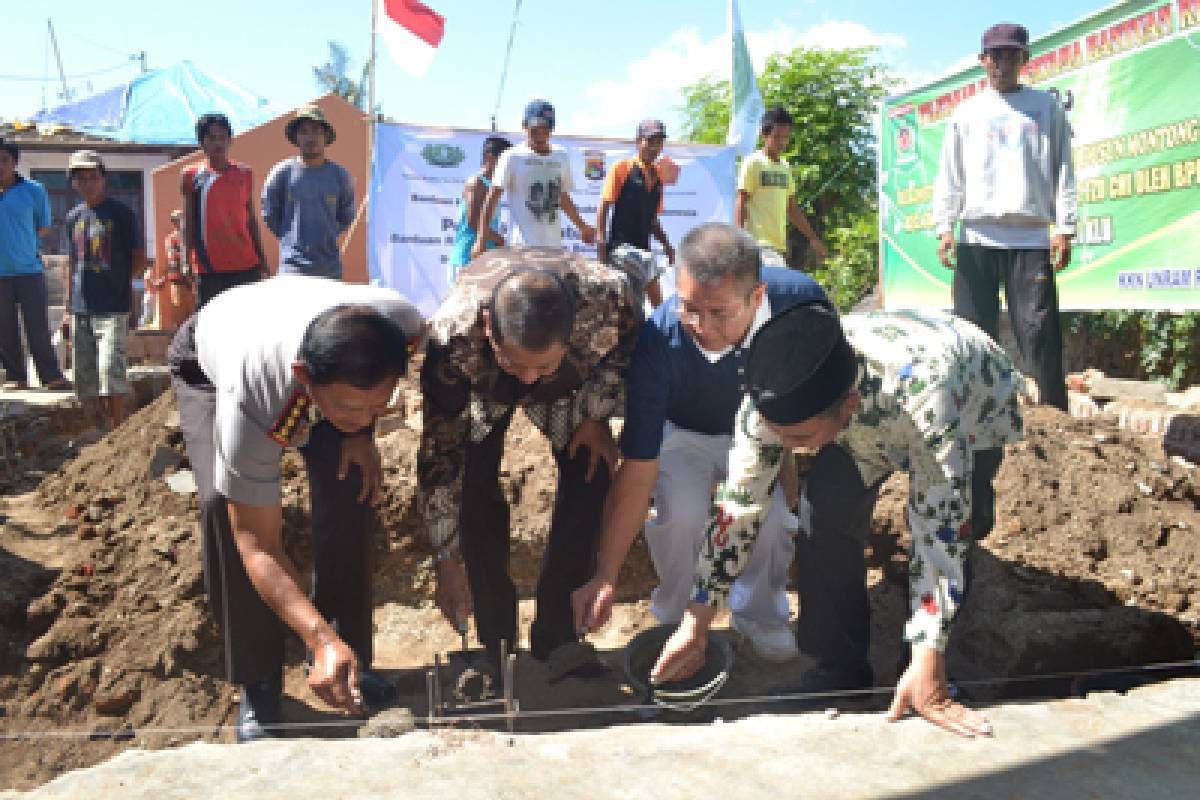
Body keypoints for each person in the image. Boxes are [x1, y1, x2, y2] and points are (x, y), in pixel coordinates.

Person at [651, 303, 1023, 739]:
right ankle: (840, 670)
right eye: (781, 436)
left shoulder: (928, 397)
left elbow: (939, 530)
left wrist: (929, 647)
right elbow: (738, 506)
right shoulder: (771, 395)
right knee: (823, 513)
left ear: (846, 407)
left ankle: (927, 668)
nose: (791, 449)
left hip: (969, 397)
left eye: (802, 439)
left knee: (962, 525)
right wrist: (696, 621)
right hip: (870, 414)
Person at [168, 275, 423, 742]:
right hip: (214, 358)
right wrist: (316, 635)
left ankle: (347, 662)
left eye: (378, 407)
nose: (366, 418)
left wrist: (359, 433)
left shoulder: (400, 325)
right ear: (305, 378)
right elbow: (257, 543)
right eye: (351, 409)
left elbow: (360, 398)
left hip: (314, 353)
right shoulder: (252, 390)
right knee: (221, 510)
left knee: (353, 484)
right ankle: (259, 680)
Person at [572, 222, 829, 663]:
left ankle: (761, 615)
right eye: (689, 307)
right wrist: (607, 573)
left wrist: (785, 460)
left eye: (720, 313)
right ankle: (676, 618)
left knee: (769, 523)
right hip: (685, 433)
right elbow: (637, 471)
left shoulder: (801, 307)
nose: (701, 326)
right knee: (683, 516)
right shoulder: (660, 338)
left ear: (758, 296)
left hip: (759, 430)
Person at [420, 246, 639, 676]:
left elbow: (623, 353)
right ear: (488, 327)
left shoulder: (609, 302)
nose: (527, 380)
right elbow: (441, 455)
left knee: (590, 471)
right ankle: (495, 640)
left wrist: (596, 415)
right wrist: (446, 558)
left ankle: (558, 637)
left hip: (570, 384)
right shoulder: (453, 340)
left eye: (540, 367)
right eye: (516, 364)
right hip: (482, 383)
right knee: (472, 486)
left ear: (574, 332)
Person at [934, 22, 1074, 412]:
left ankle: (1054, 416)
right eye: (995, 56)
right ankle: (974, 416)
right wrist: (944, 226)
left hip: (1030, 240)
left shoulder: (1045, 108)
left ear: (1024, 59)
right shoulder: (966, 114)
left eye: (1011, 55)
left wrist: (1065, 227)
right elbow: (950, 174)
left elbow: (1064, 168)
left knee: (1040, 332)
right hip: (976, 238)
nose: (1003, 63)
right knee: (972, 333)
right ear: (982, 61)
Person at [60, 150, 142, 430]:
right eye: (81, 178)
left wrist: (120, 281)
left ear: (103, 178)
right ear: (74, 183)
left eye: (94, 177)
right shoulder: (73, 217)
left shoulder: (121, 214)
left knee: (111, 371)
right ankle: (97, 434)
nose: (88, 183)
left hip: (113, 307)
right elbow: (71, 264)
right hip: (82, 307)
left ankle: (117, 430)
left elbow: (139, 256)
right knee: (85, 378)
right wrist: (67, 309)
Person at [472, 100, 596, 259]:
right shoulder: (511, 156)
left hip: (553, 248)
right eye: (535, 128)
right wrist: (480, 240)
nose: (541, 133)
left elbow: (562, 197)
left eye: (546, 128)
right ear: (525, 125)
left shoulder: (561, 156)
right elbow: (492, 198)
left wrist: (582, 227)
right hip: (521, 248)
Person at [0, 138, 71, 391]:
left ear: (14, 162)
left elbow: (42, 227)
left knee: (37, 325)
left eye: (4, 160)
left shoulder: (34, 190)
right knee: (4, 328)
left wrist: (19, 241)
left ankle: (51, 376)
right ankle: (16, 377)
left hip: (29, 269)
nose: (0, 165)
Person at [180, 113, 269, 307]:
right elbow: (187, 222)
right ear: (202, 142)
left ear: (230, 140)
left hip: (246, 265)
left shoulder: (245, 174)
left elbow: (250, 219)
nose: (218, 143)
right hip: (210, 268)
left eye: (223, 137)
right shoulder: (192, 175)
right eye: (212, 138)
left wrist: (262, 259)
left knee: (248, 322)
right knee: (210, 326)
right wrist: (185, 261)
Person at [261, 105, 356, 280]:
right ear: (296, 137)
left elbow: (347, 216)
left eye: (316, 131)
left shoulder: (340, 176)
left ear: (326, 136)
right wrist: (289, 238)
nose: (310, 138)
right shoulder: (281, 173)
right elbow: (270, 214)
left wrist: (327, 235)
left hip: (329, 271)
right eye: (304, 132)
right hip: (292, 270)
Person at [595, 119, 675, 308]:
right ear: (638, 141)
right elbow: (604, 206)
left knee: (635, 307)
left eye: (658, 142)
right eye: (649, 141)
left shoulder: (658, 177)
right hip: (619, 249)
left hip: (642, 249)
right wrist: (601, 245)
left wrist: (667, 245)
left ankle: (648, 328)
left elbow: (653, 220)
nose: (654, 147)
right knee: (648, 262)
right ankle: (663, 320)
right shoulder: (622, 168)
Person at [735, 106, 828, 268]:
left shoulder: (785, 167)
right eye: (776, 137)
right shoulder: (753, 162)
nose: (782, 142)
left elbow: (792, 208)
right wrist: (738, 240)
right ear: (765, 135)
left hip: (778, 246)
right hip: (756, 245)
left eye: (786, 137)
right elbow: (741, 201)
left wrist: (813, 238)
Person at [449, 136, 511, 281]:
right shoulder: (476, 182)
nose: (507, 167)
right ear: (490, 157)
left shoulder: (494, 185)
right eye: (505, 162)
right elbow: (473, 221)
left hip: (486, 257)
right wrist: (499, 240)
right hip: (467, 257)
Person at [162, 208, 192, 309]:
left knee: (192, 306)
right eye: (175, 219)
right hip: (176, 278)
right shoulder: (170, 238)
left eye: (181, 219)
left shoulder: (190, 238)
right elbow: (171, 257)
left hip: (190, 277)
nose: (179, 222)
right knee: (178, 306)